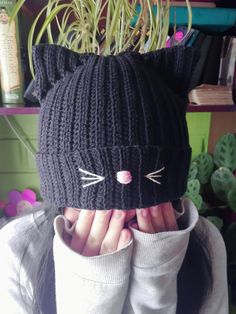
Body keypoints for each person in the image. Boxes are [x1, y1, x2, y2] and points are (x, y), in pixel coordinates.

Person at [0, 44, 228, 314]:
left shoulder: (205, 241)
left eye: (140, 209)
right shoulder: (17, 249)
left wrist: (157, 276)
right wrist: (91, 292)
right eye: (93, 207)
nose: (114, 221)